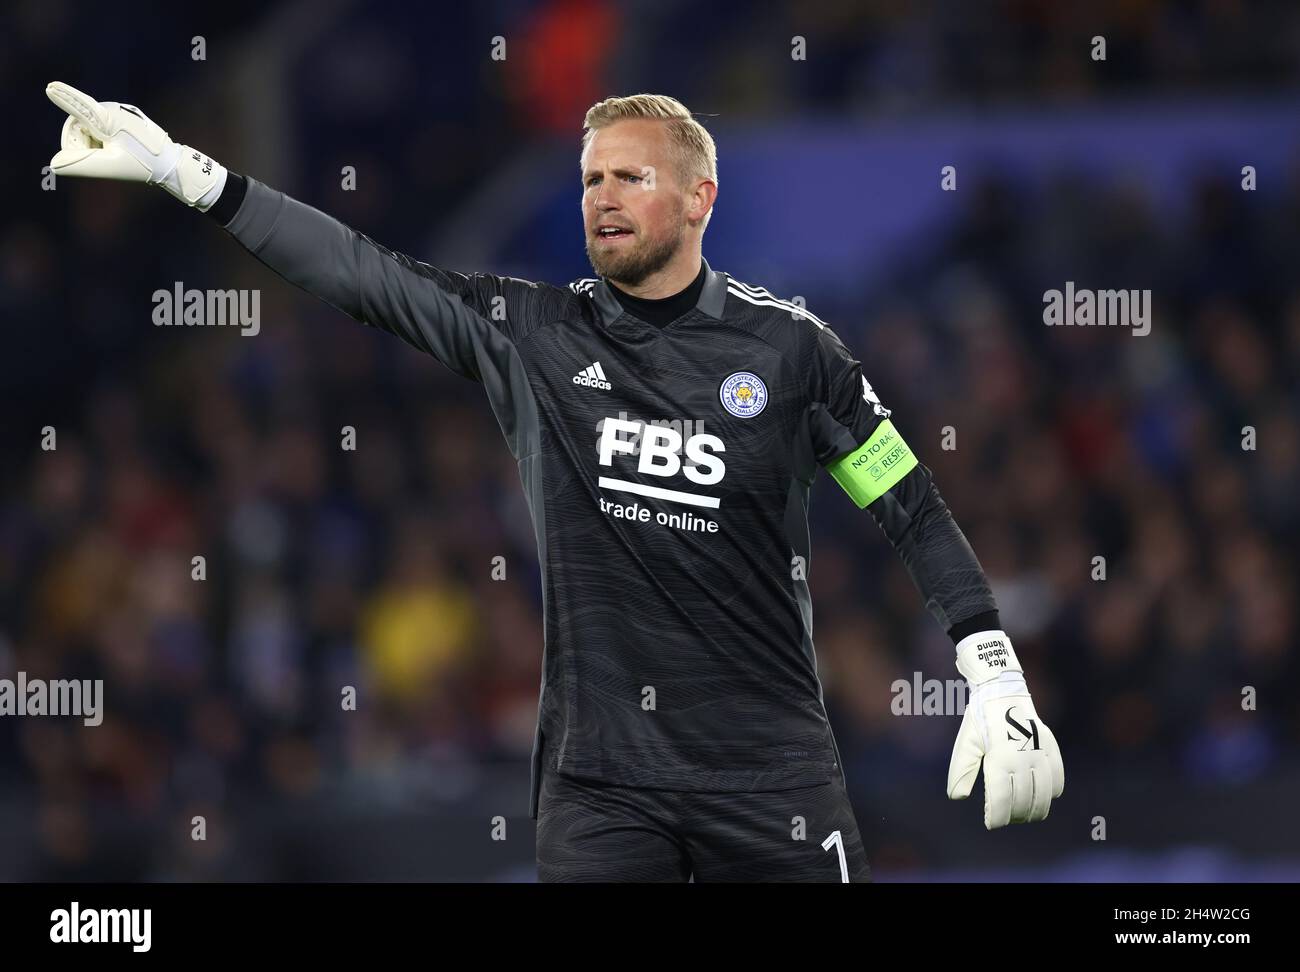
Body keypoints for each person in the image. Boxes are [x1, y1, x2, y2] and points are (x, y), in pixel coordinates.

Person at [45, 82, 1063, 882]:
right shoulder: (531, 335)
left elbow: (908, 501)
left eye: (629, 177)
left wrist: (989, 661)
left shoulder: (795, 355)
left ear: (700, 198)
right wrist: (194, 175)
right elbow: (359, 270)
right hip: (598, 787)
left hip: (770, 776)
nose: (603, 198)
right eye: (588, 180)